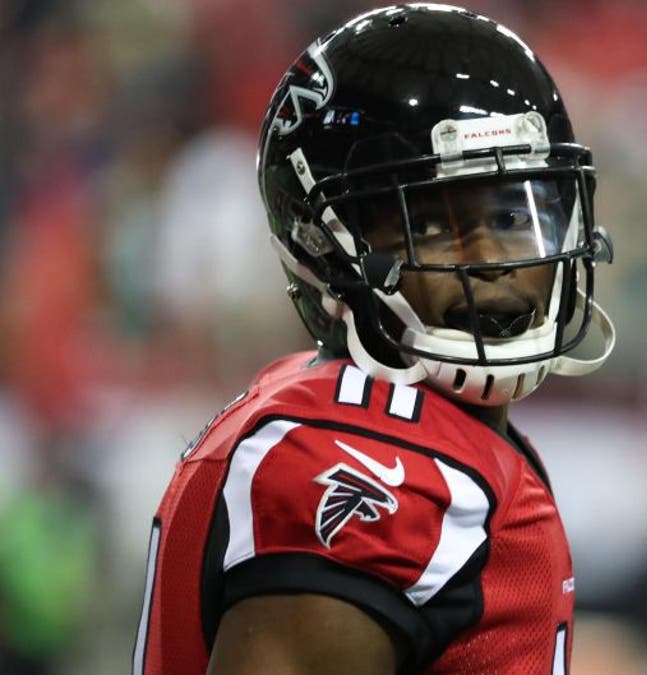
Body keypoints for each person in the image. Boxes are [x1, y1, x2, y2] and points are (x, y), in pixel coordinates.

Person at [131, 4, 615, 673]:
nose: (495, 258)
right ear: (325, 250)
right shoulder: (358, 457)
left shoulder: (414, 426)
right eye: (436, 227)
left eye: (511, 213)